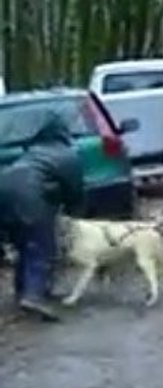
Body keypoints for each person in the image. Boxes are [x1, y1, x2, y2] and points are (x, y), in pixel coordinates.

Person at [0, 110, 84, 321]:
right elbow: (75, 190)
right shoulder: (67, 155)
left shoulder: (32, 151)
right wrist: (76, 215)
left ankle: (24, 291)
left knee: (22, 245)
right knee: (41, 246)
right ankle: (33, 296)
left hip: (4, 189)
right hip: (31, 197)